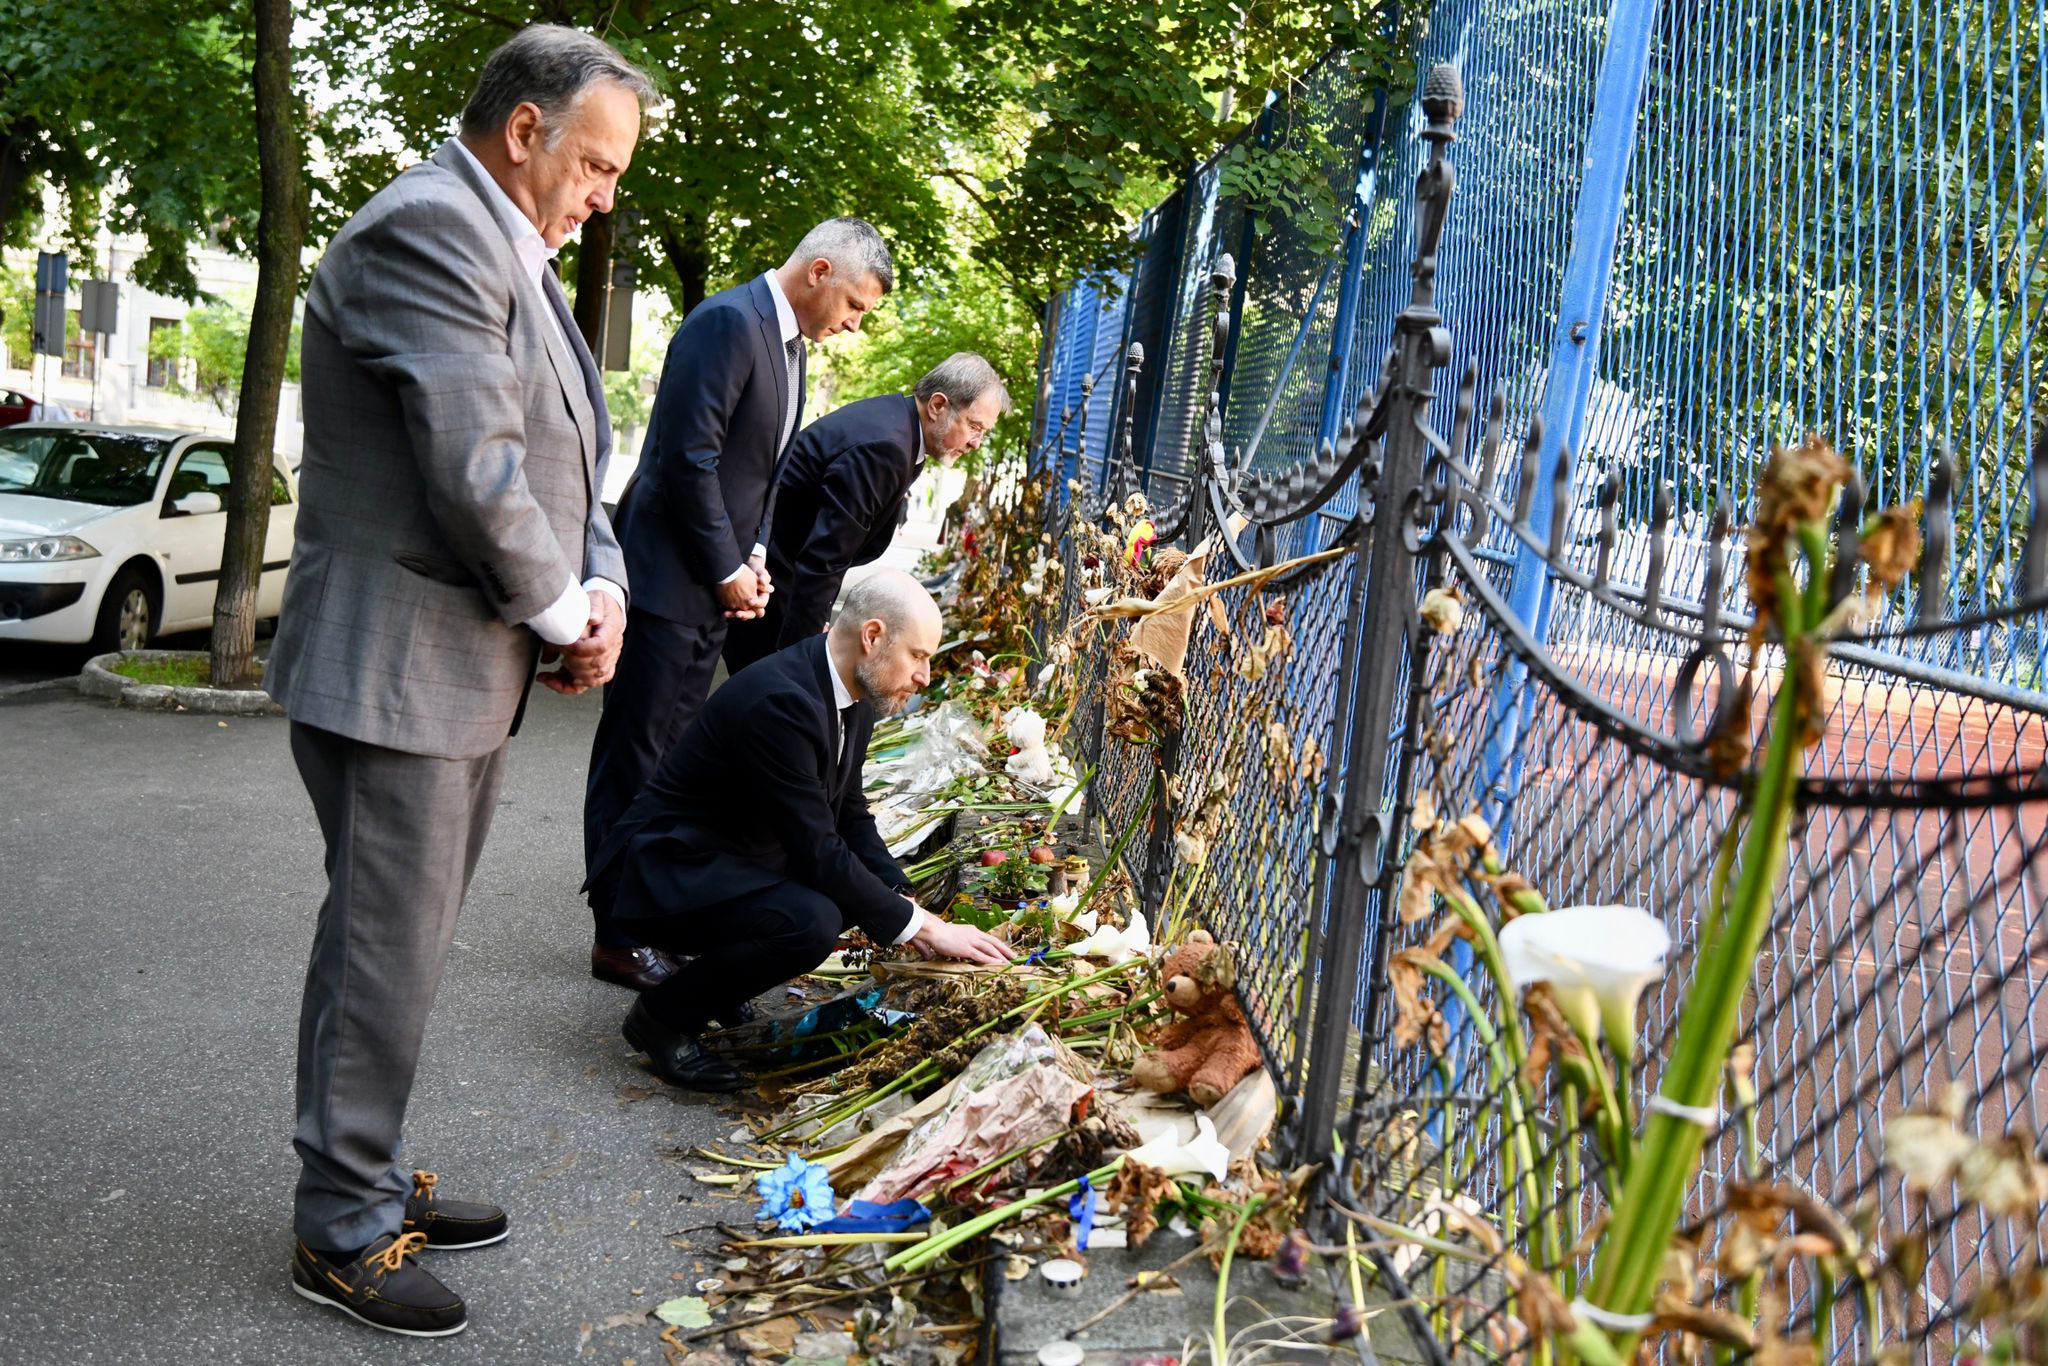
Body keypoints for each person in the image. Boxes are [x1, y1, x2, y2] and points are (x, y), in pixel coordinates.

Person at [264, 25, 652, 1338]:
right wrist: (561, 611)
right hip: (399, 668)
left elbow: (574, 451)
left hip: (454, 665)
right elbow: (474, 463)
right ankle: (341, 1228)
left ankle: (365, 1176)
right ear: (525, 129)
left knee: (400, 946)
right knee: (383, 950)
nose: (604, 195)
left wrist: (599, 586)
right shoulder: (431, 227)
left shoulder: (514, 250)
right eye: (595, 165)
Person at [583, 217, 893, 991]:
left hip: (711, 586)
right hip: (663, 582)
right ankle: (617, 936)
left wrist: (753, 561)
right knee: (635, 758)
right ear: (819, 271)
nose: (852, 326)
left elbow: (762, 473)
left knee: (675, 764)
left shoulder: (788, 348)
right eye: (854, 306)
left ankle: (654, 919)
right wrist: (725, 564)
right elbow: (686, 459)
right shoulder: (726, 321)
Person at [587, 569, 1014, 1090]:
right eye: (919, 656)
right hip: (661, 869)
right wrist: (925, 929)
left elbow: (849, 812)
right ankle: (662, 1017)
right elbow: (818, 849)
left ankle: (714, 989)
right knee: (809, 921)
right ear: (873, 636)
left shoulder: (850, 686)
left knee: (835, 900)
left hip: (729, 853)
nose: (924, 675)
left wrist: (905, 896)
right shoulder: (781, 702)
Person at [722, 352, 1011, 674]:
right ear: (938, 405)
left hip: (774, 569)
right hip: (766, 579)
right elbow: (825, 558)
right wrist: (803, 654)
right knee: (763, 699)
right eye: (974, 426)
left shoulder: (896, 425)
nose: (976, 443)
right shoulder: (886, 446)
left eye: (983, 432)